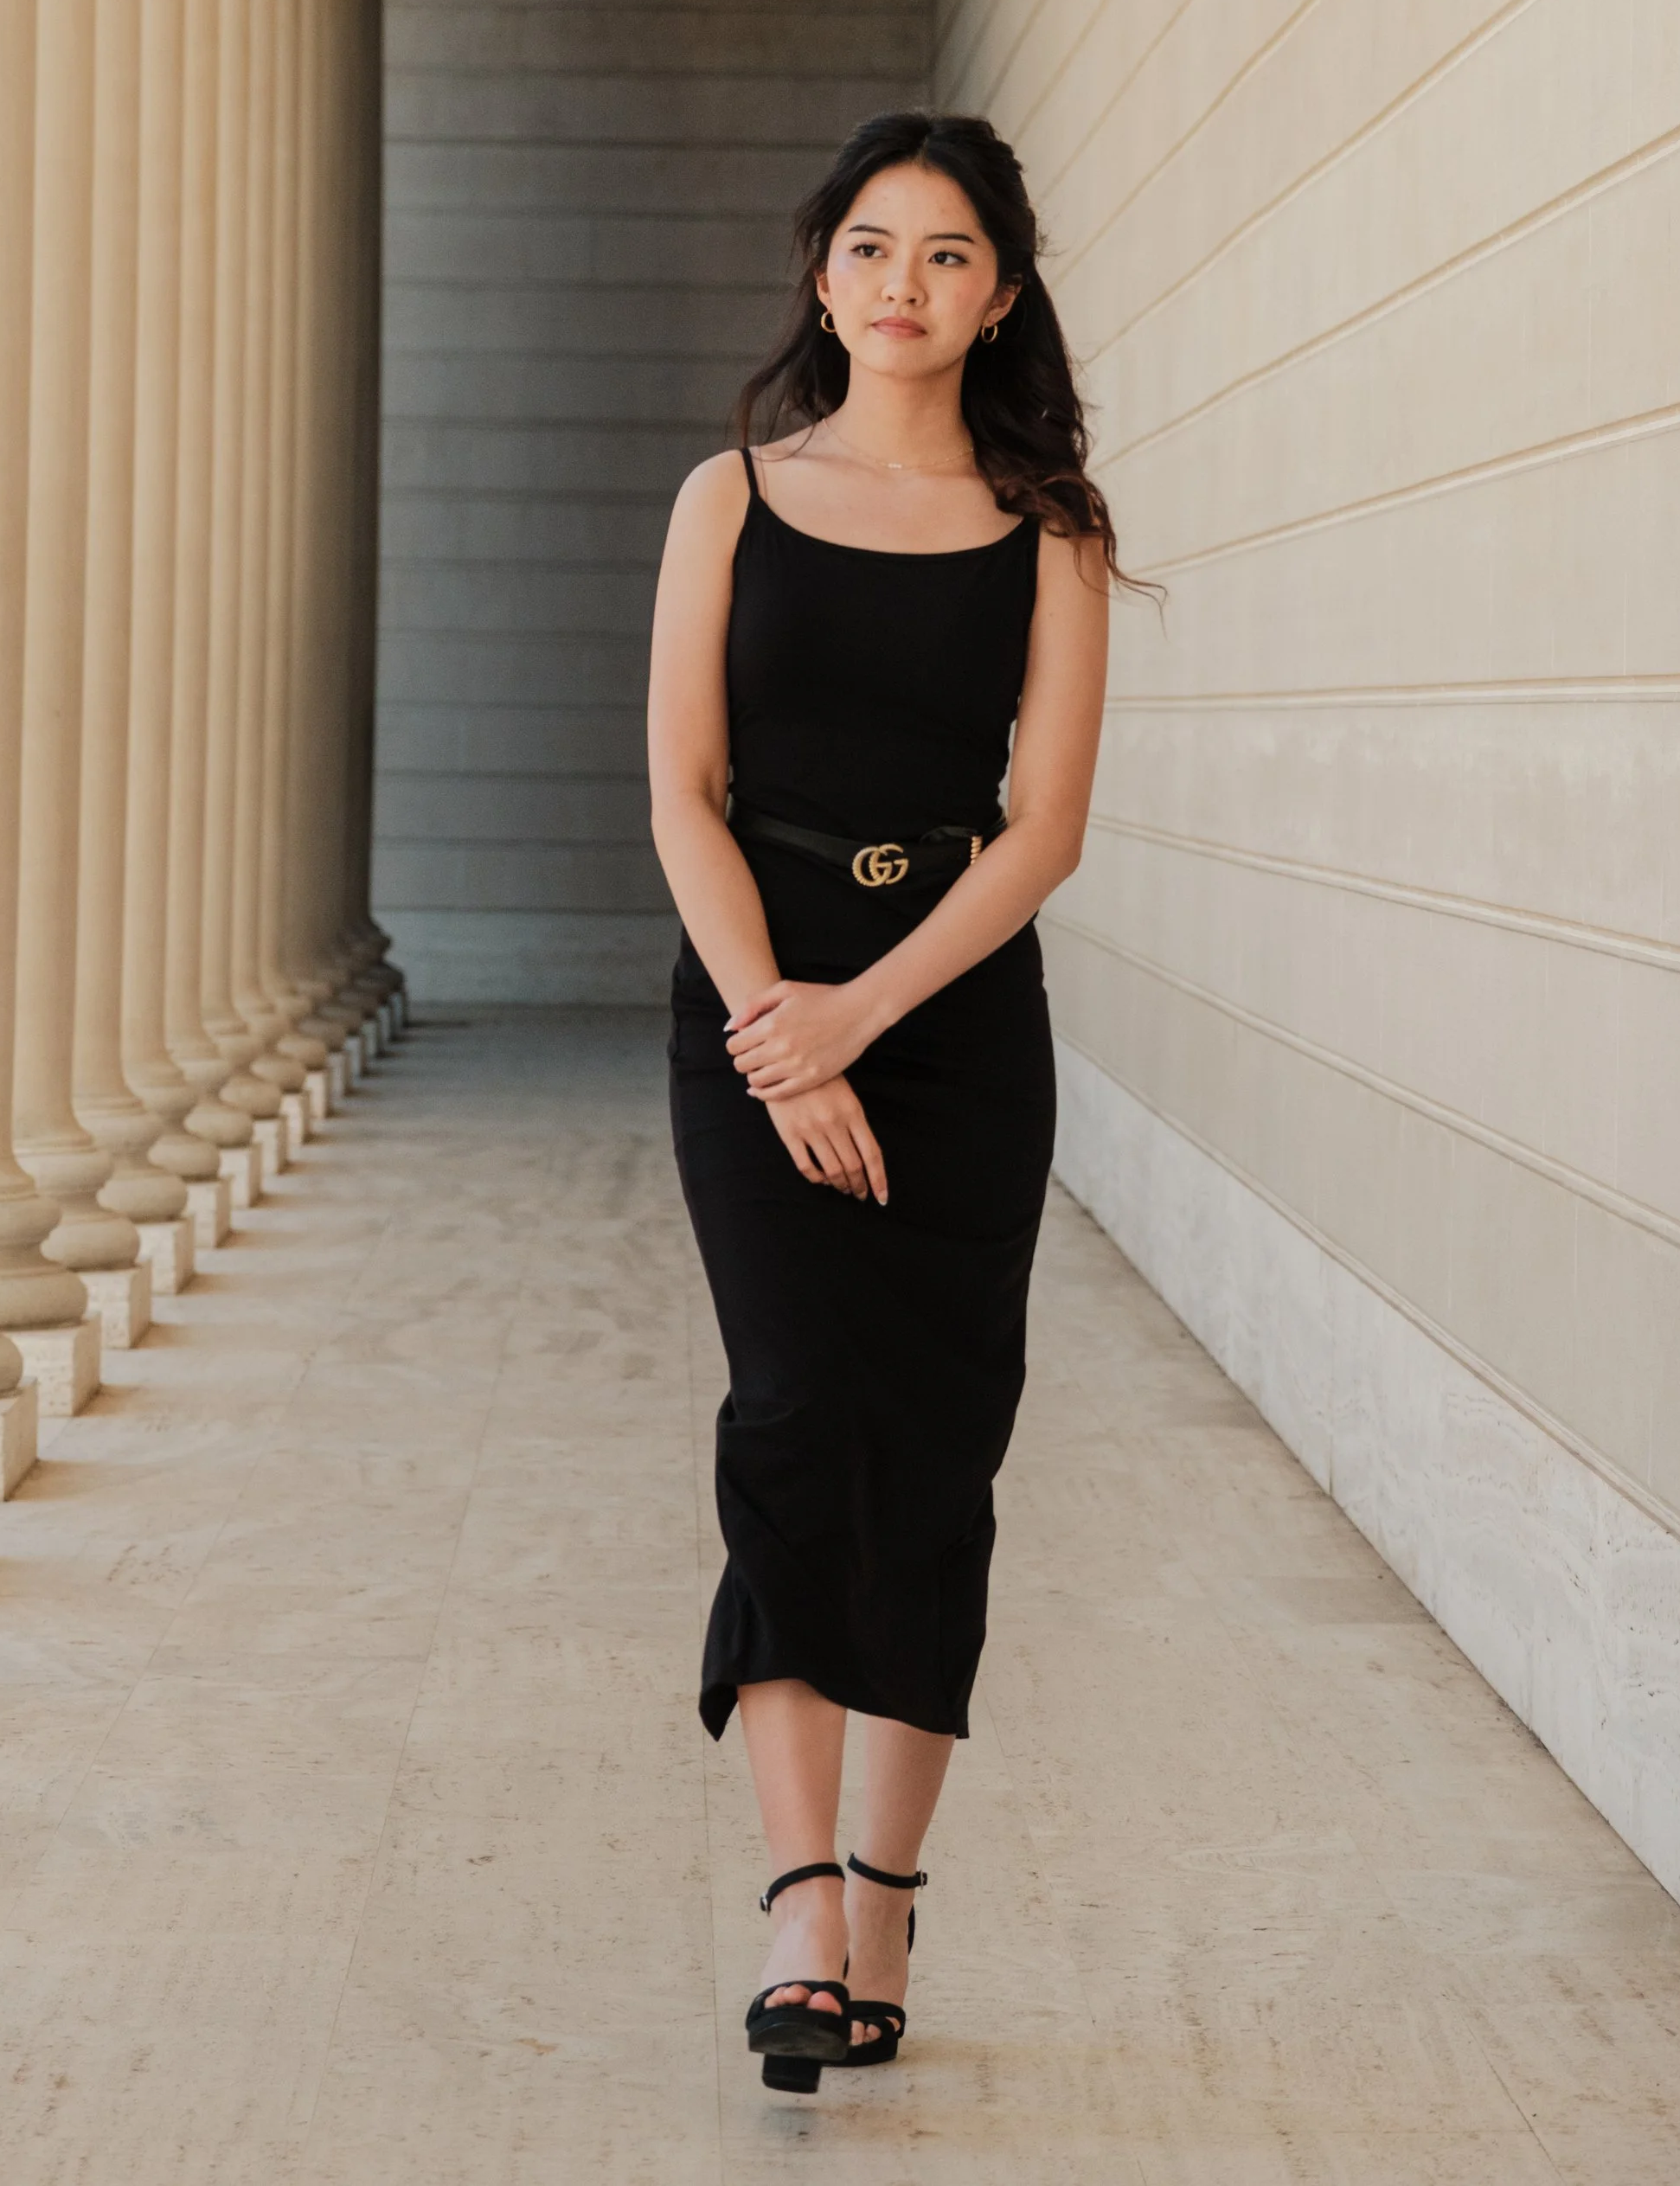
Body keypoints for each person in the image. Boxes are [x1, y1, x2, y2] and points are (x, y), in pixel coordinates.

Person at [646, 111, 1119, 2091]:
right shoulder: (730, 497)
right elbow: (683, 789)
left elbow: (1042, 832)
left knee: (932, 1447)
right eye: (867, 245)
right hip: (755, 1006)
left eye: (943, 253)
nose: (899, 282)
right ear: (819, 272)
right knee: (790, 1411)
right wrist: (780, 1024)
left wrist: (865, 1014)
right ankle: (796, 1905)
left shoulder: (1049, 528)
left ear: (996, 296)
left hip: (948, 1019)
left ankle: (887, 1890)